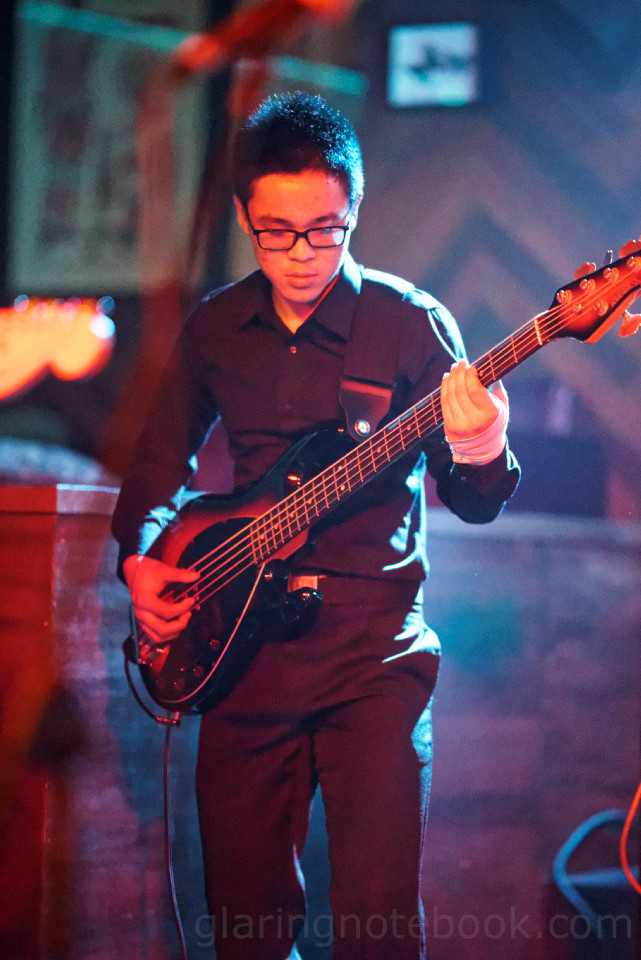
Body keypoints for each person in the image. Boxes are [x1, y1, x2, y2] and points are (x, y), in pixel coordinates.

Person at [111, 91, 520, 960]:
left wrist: (483, 442)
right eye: (276, 232)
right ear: (243, 217)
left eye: (325, 230)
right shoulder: (217, 326)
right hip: (239, 652)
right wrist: (142, 562)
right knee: (245, 924)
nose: (301, 255)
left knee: (377, 920)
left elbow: (475, 499)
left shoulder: (409, 323)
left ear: (355, 210)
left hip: (373, 659)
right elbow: (155, 468)